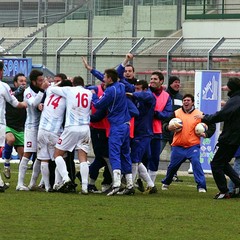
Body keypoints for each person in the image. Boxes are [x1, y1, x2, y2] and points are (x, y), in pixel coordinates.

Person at [195, 77, 240, 199]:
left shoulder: (235, 100)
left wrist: (204, 117)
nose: (226, 88)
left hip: (228, 139)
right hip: (235, 139)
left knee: (215, 163)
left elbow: (221, 115)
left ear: (231, 87)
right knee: (223, 163)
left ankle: (223, 191)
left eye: (227, 86)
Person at [92, 68, 134, 196]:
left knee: (114, 154)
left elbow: (98, 105)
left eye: (104, 77)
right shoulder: (121, 85)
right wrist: (93, 70)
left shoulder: (110, 90)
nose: (103, 79)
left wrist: (93, 94)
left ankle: (116, 184)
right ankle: (130, 184)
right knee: (125, 154)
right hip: (126, 125)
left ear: (109, 79)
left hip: (117, 126)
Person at [161, 94, 216, 192]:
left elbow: (212, 125)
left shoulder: (199, 114)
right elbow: (165, 123)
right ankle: (166, 182)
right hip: (178, 146)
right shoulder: (176, 113)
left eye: (188, 100)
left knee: (196, 163)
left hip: (193, 146)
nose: (186, 102)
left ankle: (201, 186)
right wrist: (167, 127)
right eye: (184, 100)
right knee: (173, 166)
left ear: (193, 102)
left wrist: (206, 134)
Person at [51, 76, 92, 194]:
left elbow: (53, 88)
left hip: (71, 127)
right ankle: (84, 187)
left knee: (57, 154)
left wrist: (62, 81)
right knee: (83, 157)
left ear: (73, 83)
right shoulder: (88, 92)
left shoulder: (69, 90)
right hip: (85, 128)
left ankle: (66, 178)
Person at [36, 79, 73, 192]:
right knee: (60, 156)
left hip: (41, 130)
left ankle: (47, 187)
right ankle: (58, 183)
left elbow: (49, 86)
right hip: (55, 131)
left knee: (44, 159)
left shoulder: (50, 91)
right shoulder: (67, 97)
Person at [16, 69, 49, 191]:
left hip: (42, 128)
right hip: (31, 127)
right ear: (34, 81)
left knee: (40, 156)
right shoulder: (27, 92)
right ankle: (19, 184)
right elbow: (34, 103)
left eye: (43, 80)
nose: (42, 82)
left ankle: (32, 184)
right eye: (40, 80)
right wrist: (42, 91)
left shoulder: (44, 90)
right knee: (27, 154)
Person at [0, 61, 27, 192]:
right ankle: (6, 164)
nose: (23, 83)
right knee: (9, 140)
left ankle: (20, 183)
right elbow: (14, 101)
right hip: (6, 124)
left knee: (24, 157)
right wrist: (26, 103)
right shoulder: (6, 87)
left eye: (25, 81)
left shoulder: (28, 94)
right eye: (20, 81)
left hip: (20, 128)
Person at [126, 80, 157, 194]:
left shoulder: (149, 97)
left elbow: (146, 96)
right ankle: (151, 185)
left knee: (135, 159)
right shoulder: (137, 98)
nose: (136, 91)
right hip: (137, 132)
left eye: (139, 89)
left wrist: (133, 94)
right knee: (137, 160)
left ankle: (130, 186)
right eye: (135, 88)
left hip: (144, 133)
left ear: (145, 89)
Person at [146, 71, 172, 184]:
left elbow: (168, 113)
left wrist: (157, 114)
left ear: (161, 81)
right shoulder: (144, 91)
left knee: (154, 158)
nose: (152, 81)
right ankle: (138, 180)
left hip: (156, 130)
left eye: (155, 79)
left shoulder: (166, 96)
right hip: (142, 130)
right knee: (142, 157)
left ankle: (150, 184)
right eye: (151, 79)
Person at [160, 76, 183, 182]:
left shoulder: (181, 97)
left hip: (176, 131)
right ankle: (147, 171)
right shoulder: (164, 95)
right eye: (175, 82)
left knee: (175, 155)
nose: (177, 84)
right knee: (156, 152)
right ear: (170, 84)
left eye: (178, 82)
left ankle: (173, 174)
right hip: (164, 129)